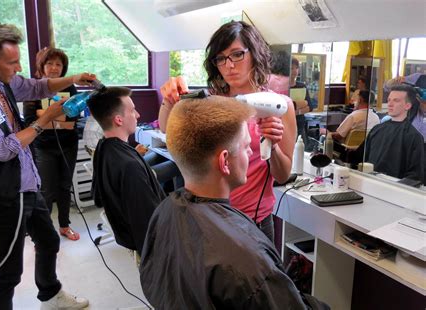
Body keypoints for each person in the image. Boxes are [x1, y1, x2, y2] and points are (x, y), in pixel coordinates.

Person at [0, 21, 92, 310]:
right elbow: (1, 149)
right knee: (8, 273)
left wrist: (76, 77)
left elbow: (37, 85)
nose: (18, 68)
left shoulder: (1, 80)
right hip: (3, 196)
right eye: (12, 62)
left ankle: (51, 297)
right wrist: (45, 120)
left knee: (49, 241)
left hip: (27, 183)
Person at [140, 96, 329, 309]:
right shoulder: (246, 263)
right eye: (247, 145)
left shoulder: (164, 212)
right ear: (224, 162)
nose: (250, 152)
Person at [158, 21, 296, 242]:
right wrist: (168, 100)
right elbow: (166, 126)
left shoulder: (280, 105)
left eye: (237, 55)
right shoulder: (212, 101)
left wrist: (274, 144)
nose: (229, 65)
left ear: (255, 54)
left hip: (254, 221)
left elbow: (282, 175)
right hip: (209, 215)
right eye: (221, 59)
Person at [88, 86, 166, 256]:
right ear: (118, 120)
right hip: (153, 244)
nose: (137, 115)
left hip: (127, 234)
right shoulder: (129, 166)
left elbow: (98, 197)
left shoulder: (103, 148)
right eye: (132, 111)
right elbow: (149, 230)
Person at [23, 47, 81, 241]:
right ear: (42, 66)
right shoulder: (34, 88)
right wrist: (57, 117)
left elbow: (73, 120)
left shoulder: (70, 88)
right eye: (50, 63)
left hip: (68, 145)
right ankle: (44, 233)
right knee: (46, 190)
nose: (54, 68)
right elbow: (30, 119)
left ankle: (65, 226)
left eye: (58, 64)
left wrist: (46, 116)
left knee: (65, 187)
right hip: (43, 147)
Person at [365, 85, 424, 181]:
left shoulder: (414, 137)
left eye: (396, 100)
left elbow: (415, 175)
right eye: (389, 100)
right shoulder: (376, 130)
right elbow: (364, 160)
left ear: (407, 106)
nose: (390, 104)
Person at [290, 57, 313, 143]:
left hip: (299, 123)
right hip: (286, 124)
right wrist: (302, 104)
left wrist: (297, 111)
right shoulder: (283, 86)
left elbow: (310, 106)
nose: (295, 71)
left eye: (296, 68)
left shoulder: (302, 86)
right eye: (292, 68)